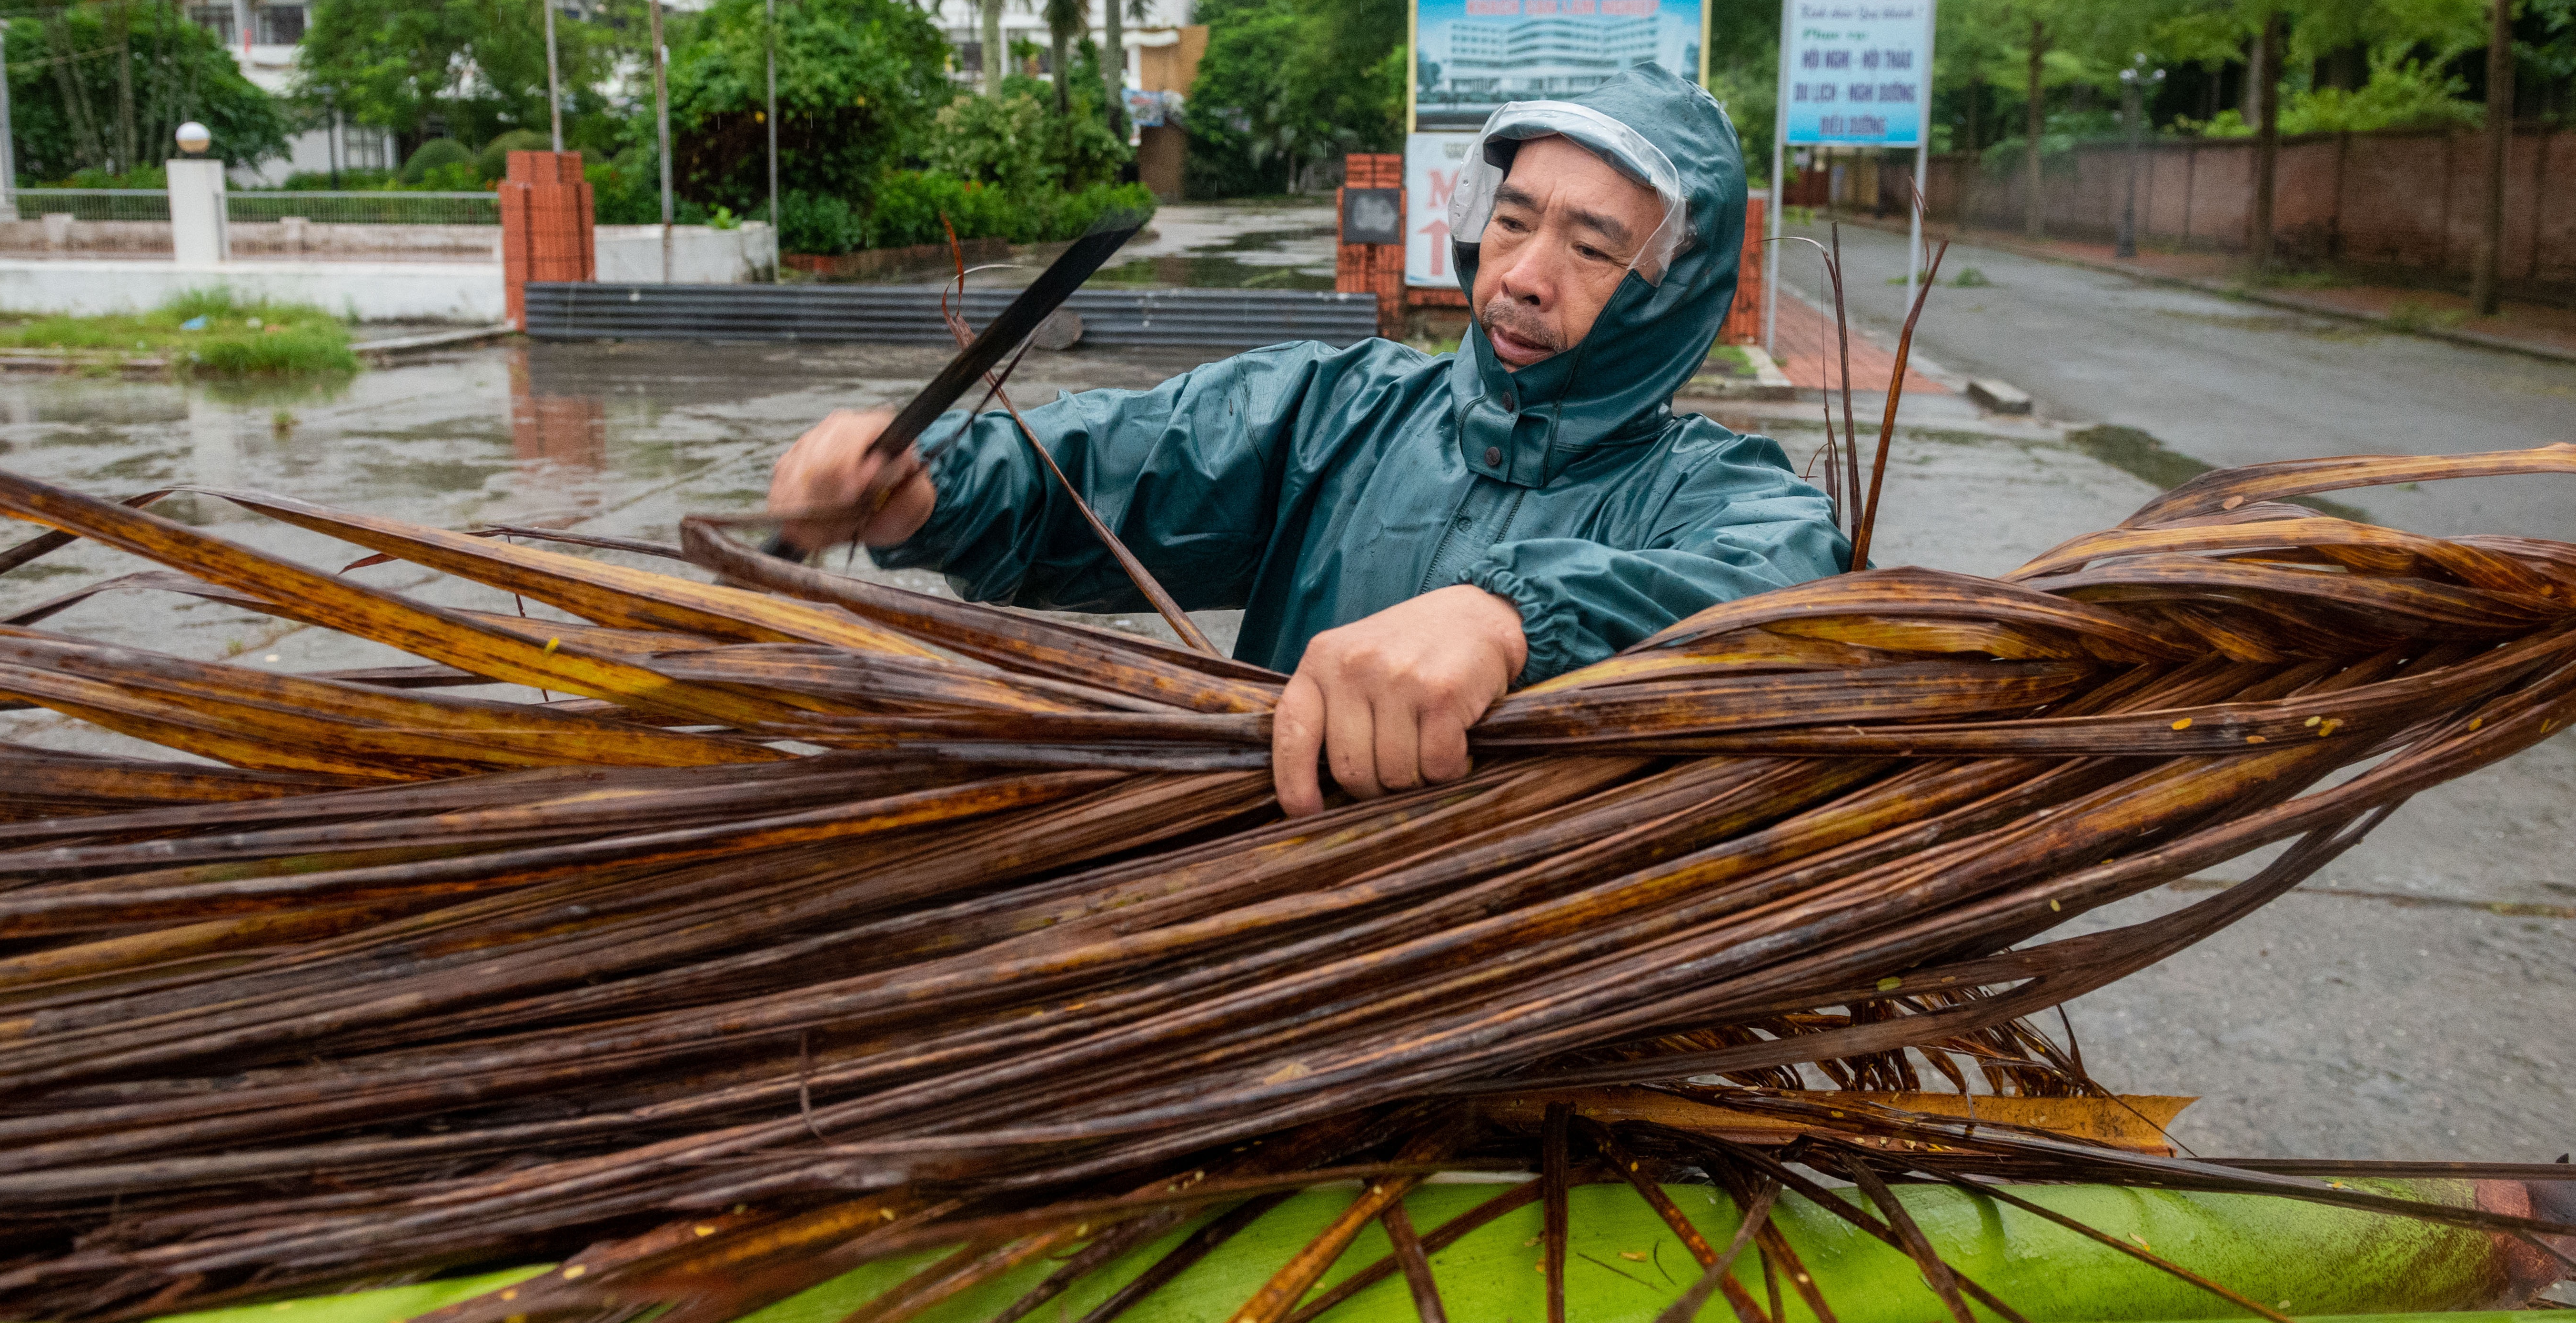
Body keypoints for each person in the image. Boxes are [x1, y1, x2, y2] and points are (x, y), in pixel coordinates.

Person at [768, 62, 1848, 815]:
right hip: (1271, 936)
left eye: (1592, 246)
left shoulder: (1714, 488)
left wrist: (1513, 615)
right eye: (1513, 220)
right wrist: (930, 489)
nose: (1521, 273)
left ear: (1671, 295)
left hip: (1540, 992)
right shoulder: (1335, 411)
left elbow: (1794, 597)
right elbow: (1115, 463)